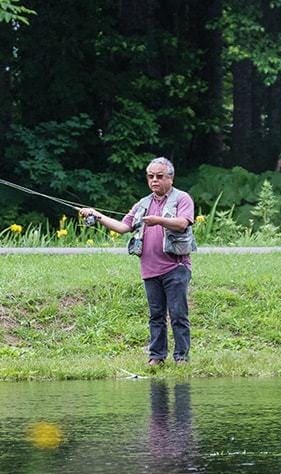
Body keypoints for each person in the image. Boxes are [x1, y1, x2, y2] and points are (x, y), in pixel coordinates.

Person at [78, 157, 195, 366]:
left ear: (171, 177)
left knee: (178, 314)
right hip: (149, 269)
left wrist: (158, 220)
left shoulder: (182, 198)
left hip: (176, 267)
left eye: (159, 176)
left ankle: (181, 358)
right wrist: (96, 215)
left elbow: (182, 223)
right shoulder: (143, 203)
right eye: (151, 177)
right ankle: (157, 357)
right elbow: (123, 227)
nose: (154, 181)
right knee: (156, 316)